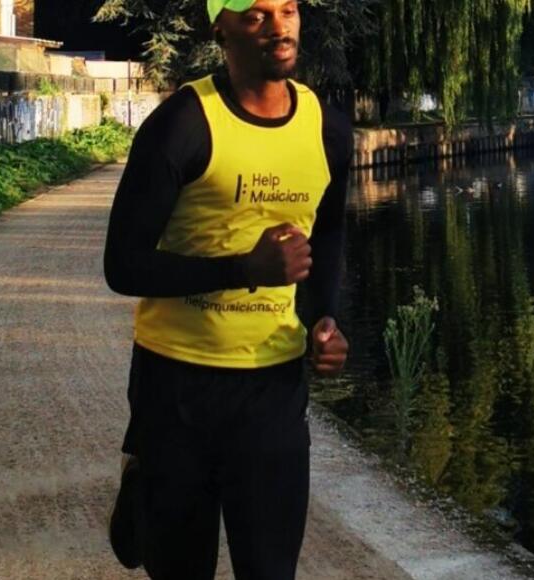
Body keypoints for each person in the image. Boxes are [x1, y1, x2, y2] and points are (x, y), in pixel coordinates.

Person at [101, 0, 352, 577]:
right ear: (221, 28)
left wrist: (326, 319)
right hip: (175, 391)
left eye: (287, 9)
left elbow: (329, 232)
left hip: (272, 395)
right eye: (255, 15)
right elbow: (123, 265)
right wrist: (242, 269)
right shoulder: (182, 123)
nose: (278, 26)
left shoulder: (329, 129)